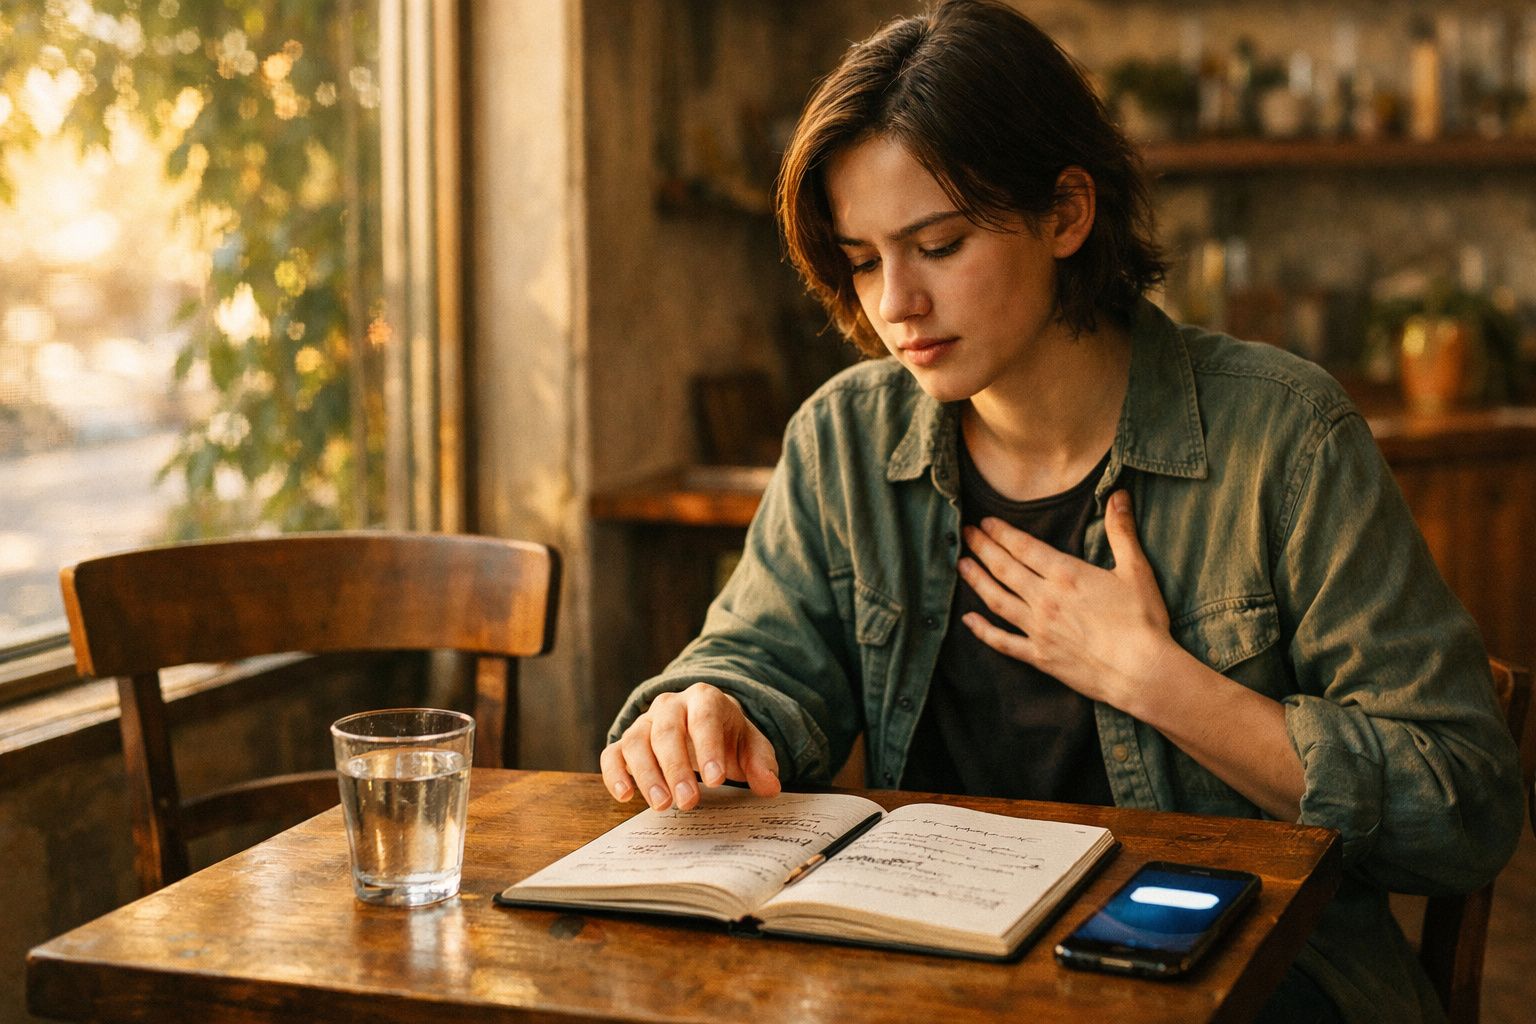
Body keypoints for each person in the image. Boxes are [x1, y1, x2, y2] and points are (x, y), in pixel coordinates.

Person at [599, 2, 1525, 1021]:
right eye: (863, 260)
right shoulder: (846, 440)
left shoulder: (1286, 438)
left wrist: (1161, 682)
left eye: (938, 245)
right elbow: (762, 661)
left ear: (1067, 213)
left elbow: (1465, 806)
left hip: (1247, 982)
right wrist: (711, 711)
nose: (892, 303)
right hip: (945, 974)